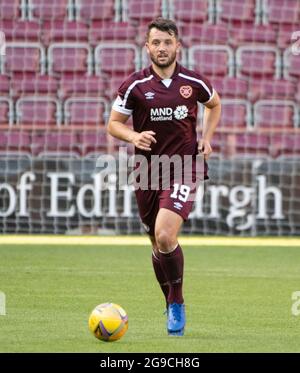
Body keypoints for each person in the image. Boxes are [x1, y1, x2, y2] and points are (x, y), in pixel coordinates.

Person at [107, 17, 221, 336]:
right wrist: (132, 137)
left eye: (167, 42)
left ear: (177, 46)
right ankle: (169, 299)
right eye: (155, 42)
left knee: (167, 235)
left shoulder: (193, 82)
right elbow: (113, 124)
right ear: (147, 47)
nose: (161, 48)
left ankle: (177, 302)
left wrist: (207, 137)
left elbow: (214, 103)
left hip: (184, 167)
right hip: (146, 173)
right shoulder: (134, 86)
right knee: (157, 244)